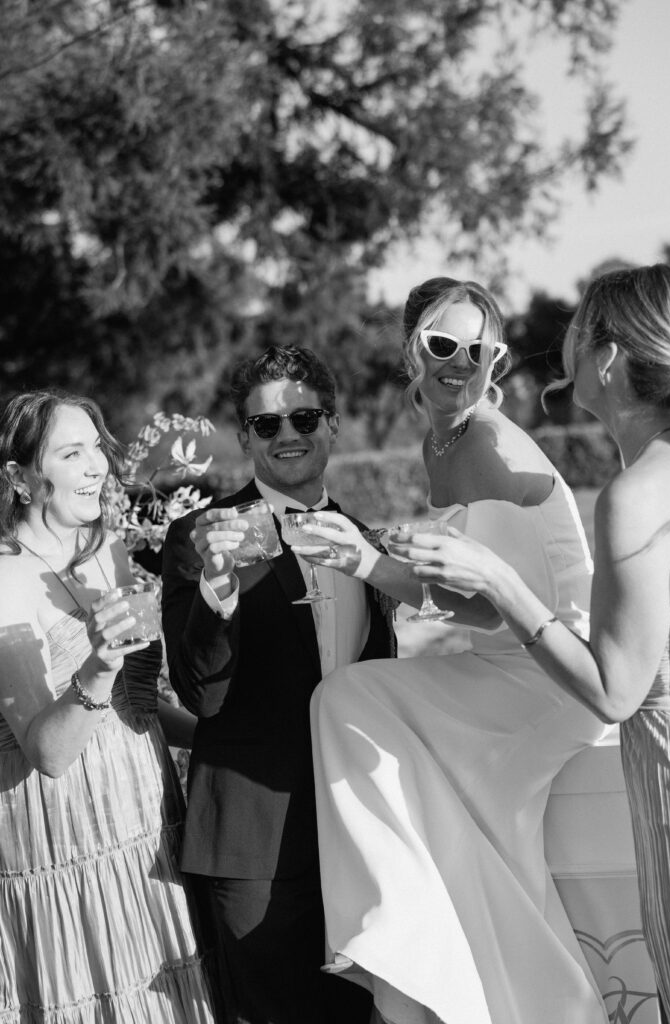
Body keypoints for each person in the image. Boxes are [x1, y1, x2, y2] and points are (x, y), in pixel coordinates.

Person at [297, 277, 610, 1024]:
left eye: (479, 349)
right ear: (413, 346)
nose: (460, 361)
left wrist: (365, 562)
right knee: (380, 709)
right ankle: (444, 968)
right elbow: (470, 593)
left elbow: (485, 606)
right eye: (443, 343)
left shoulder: (482, 444)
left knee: (346, 698)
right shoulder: (445, 433)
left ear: (494, 359)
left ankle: (399, 939)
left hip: (550, 674)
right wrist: (379, 552)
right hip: (511, 658)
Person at [400, 263, 670, 1024]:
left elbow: (616, 692)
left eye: (578, 327)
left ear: (609, 361)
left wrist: (496, 579)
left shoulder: (637, 494)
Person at [161, 345, 395, 1024]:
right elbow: (200, 694)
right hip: (256, 844)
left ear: (332, 425)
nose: (287, 434)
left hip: (358, 832)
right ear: (244, 438)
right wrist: (219, 590)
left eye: (302, 417)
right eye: (267, 424)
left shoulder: (365, 541)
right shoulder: (199, 539)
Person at [0, 389, 214, 1022]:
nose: (96, 465)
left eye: (97, 445)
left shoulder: (107, 550)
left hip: (146, 829)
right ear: (18, 477)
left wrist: (222, 738)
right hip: (65, 848)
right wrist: (98, 663)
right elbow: (50, 753)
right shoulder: (4, 580)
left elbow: (135, 712)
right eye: (72, 452)